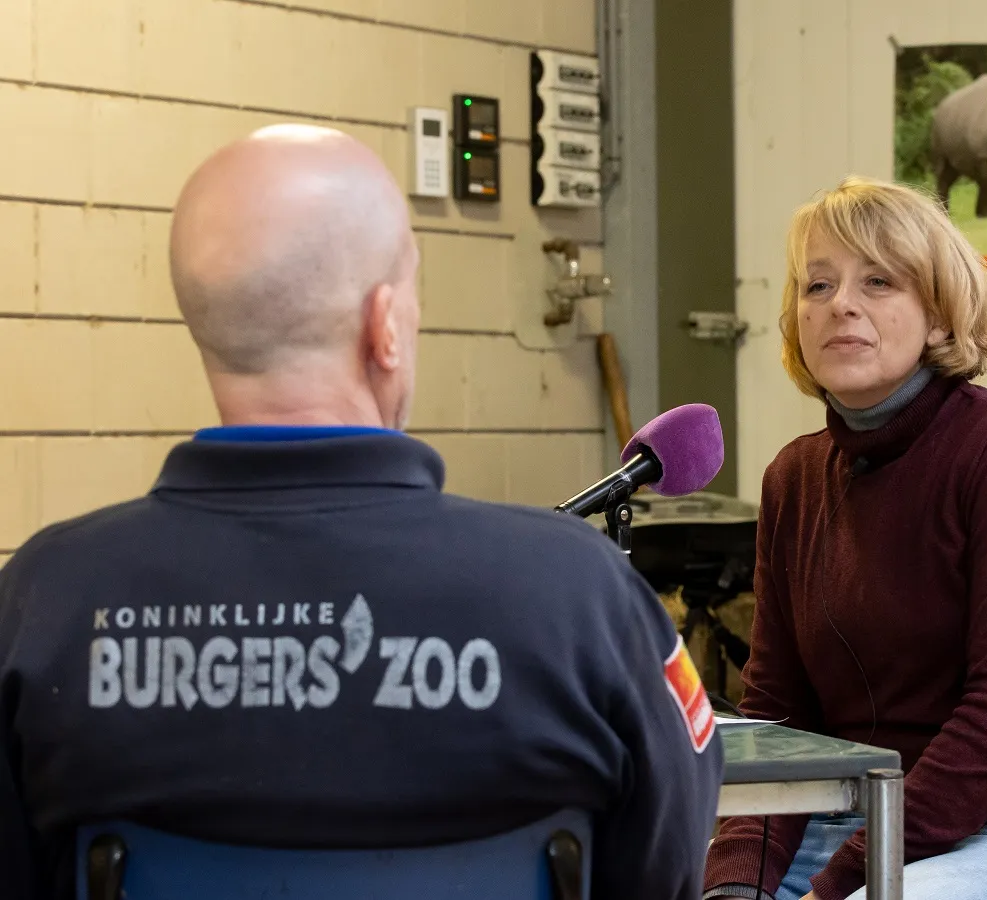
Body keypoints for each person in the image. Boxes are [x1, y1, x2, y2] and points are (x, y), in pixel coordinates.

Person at [0, 124, 723, 900]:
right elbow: (667, 864)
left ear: (205, 324)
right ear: (385, 326)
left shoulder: (43, 601)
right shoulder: (581, 595)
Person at [703, 176, 987, 900]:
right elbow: (775, 716)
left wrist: (840, 883)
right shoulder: (794, 477)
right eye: (817, 285)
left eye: (878, 281)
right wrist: (735, 885)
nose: (840, 303)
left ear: (942, 318)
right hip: (848, 821)